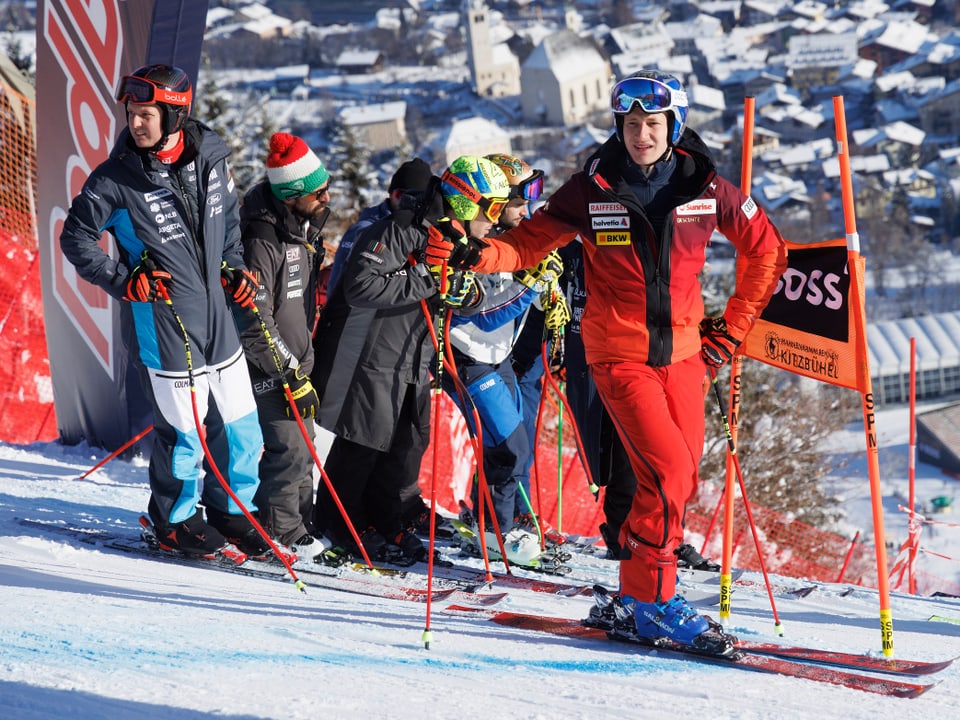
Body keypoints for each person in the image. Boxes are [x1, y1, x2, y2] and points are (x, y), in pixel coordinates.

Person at [427, 70, 787, 653]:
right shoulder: (591, 189)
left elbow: (768, 250)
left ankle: (638, 594)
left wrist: (732, 329)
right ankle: (656, 601)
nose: (640, 134)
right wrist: (475, 251)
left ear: (674, 124)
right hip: (619, 355)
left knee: (676, 479)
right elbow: (527, 244)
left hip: (689, 357)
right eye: (630, 123)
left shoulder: (709, 188)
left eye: (652, 123)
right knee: (667, 473)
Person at [59, 64, 269, 558]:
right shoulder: (115, 180)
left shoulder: (212, 154)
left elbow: (229, 222)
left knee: (241, 424)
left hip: (217, 315)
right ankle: (174, 518)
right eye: (132, 114)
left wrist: (235, 266)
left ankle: (233, 510)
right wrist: (123, 281)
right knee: (185, 431)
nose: (135, 123)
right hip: (163, 321)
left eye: (146, 114)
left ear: (176, 115)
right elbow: (76, 239)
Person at [310, 156, 486, 564]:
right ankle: (340, 523)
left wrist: (463, 293)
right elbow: (357, 287)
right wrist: (429, 277)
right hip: (374, 351)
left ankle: (385, 517)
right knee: (364, 441)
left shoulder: (447, 235)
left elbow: (462, 288)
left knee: (405, 441)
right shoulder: (391, 228)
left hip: (414, 353)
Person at [446, 153, 567, 567]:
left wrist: (549, 295)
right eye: (518, 201)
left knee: (510, 445)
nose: (524, 210)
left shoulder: (508, 238)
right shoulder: (476, 244)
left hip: (498, 355)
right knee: (508, 445)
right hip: (470, 355)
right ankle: (493, 528)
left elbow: (514, 288)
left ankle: (496, 518)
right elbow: (484, 311)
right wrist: (534, 285)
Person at [235, 131, 331, 561]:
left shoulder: (298, 228)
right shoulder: (263, 239)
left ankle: (301, 524)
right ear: (293, 194)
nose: (328, 197)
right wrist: (288, 372)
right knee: (289, 447)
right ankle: (280, 528)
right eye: (319, 191)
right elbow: (254, 319)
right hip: (269, 366)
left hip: (295, 359)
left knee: (305, 445)